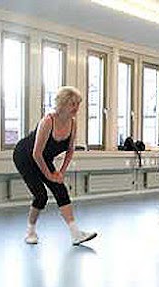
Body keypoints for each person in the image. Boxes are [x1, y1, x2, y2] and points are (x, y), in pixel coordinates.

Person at [12, 86, 97, 246]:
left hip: (43, 158)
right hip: (25, 157)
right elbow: (36, 153)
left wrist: (61, 172)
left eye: (78, 104)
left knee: (61, 190)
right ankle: (30, 232)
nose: (76, 108)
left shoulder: (72, 123)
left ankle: (76, 234)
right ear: (62, 104)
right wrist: (49, 175)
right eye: (73, 104)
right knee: (41, 195)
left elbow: (70, 150)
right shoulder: (48, 121)